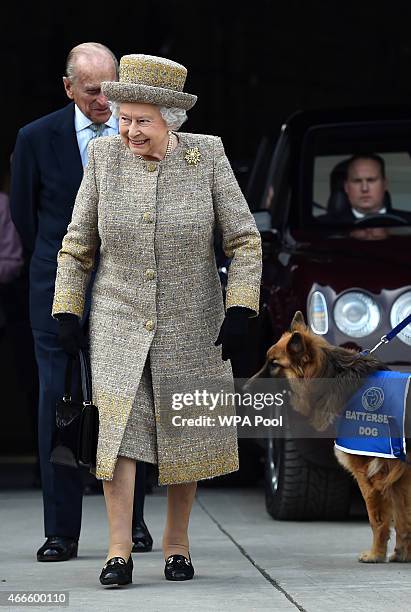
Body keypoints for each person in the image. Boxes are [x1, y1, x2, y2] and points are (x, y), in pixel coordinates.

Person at [51, 53, 262, 586]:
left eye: (142, 120)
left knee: (184, 433)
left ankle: (177, 543)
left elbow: (244, 239)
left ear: (172, 119)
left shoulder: (207, 156)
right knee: (116, 435)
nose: (129, 130)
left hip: (193, 322)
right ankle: (118, 550)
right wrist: (67, 310)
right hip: (118, 318)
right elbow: (76, 247)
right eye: (123, 117)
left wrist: (241, 306)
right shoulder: (103, 158)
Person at [9, 42, 152, 563]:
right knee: (60, 407)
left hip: (126, 292)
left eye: (110, 87)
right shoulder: (36, 139)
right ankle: (61, 532)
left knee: (129, 408)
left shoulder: (136, 130)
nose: (104, 100)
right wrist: (64, 279)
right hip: (56, 294)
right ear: (68, 88)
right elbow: (27, 220)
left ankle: (132, 523)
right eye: (92, 91)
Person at [321, 154, 411, 224]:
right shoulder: (324, 225)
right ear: (346, 187)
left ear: (384, 184)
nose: (364, 188)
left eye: (371, 180)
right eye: (357, 181)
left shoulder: (407, 221)